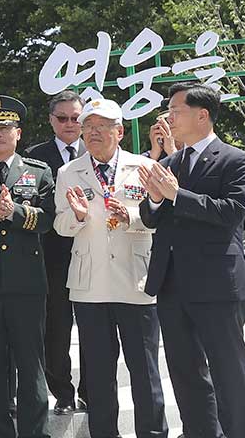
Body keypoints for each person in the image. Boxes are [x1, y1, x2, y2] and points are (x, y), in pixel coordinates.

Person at [138, 83, 245, 438]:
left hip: (217, 284)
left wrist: (176, 194)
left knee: (229, 374)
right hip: (171, 283)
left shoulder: (236, 160)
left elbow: (232, 212)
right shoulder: (170, 163)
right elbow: (151, 218)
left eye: (176, 111)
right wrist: (156, 199)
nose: (169, 119)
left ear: (202, 115)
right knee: (185, 373)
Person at [54, 99, 167, 438]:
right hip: (91, 285)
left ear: (119, 132)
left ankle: (152, 433)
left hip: (136, 281)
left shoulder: (144, 166)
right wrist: (77, 216)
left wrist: (130, 216)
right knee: (99, 373)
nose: (93, 133)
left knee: (144, 370)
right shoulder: (68, 172)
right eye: (88, 127)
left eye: (101, 127)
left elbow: (161, 218)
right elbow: (60, 225)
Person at [0, 95, 54, 438]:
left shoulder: (38, 171)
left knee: (31, 365)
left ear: (18, 133)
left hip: (27, 285)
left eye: (5, 128)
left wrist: (14, 212)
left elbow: (48, 220)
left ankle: (35, 432)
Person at [25, 90, 87, 416]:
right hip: (52, 256)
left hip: (94, 253)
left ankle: (90, 391)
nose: (69, 123)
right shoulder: (34, 157)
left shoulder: (98, 150)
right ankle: (63, 393)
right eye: (62, 118)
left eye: (76, 117)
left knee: (95, 330)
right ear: (51, 120)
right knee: (56, 330)